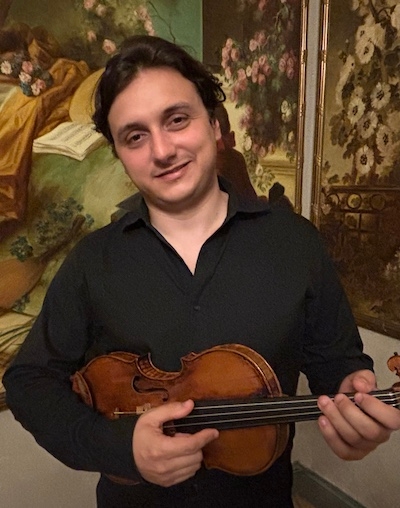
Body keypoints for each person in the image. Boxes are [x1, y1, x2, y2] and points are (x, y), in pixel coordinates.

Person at [4, 35, 400, 508]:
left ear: (213, 124)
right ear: (120, 154)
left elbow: (336, 363)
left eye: (177, 119)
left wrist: (353, 400)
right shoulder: (92, 261)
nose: (162, 150)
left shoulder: (295, 243)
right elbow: (29, 381)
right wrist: (121, 448)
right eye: (135, 136)